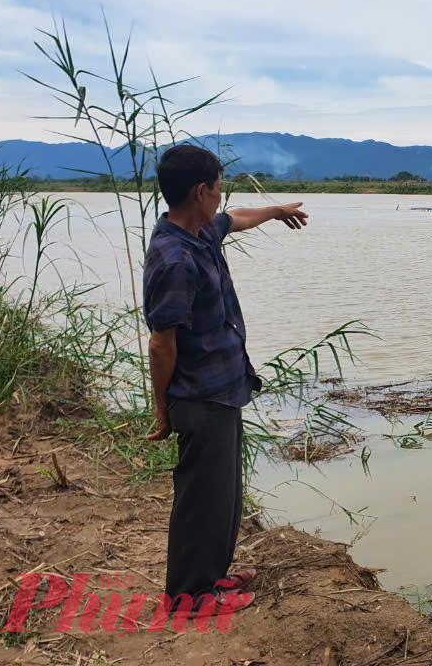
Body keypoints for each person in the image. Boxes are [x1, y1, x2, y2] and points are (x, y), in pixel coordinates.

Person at [142, 144, 309, 613]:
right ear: (201, 191)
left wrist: (276, 211)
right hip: (199, 395)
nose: (220, 198)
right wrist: (164, 408)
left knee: (223, 496)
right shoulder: (175, 258)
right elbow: (161, 343)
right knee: (201, 498)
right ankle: (189, 596)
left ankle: (211, 577)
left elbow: (236, 218)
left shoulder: (200, 233)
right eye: (216, 189)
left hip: (223, 388)